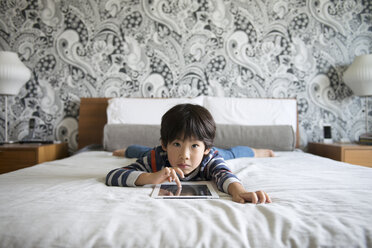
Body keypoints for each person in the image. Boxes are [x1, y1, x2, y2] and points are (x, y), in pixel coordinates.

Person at [106, 104, 272, 204]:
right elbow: (113, 175)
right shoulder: (156, 158)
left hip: (215, 154)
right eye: (177, 144)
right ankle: (127, 149)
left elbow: (224, 174)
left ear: (206, 147)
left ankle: (255, 151)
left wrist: (239, 191)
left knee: (229, 153)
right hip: (157, 153)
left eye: (194, 145)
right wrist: (151, 177)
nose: (184, 155)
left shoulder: (210, 158)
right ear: (165, 144)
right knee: (142, 151)